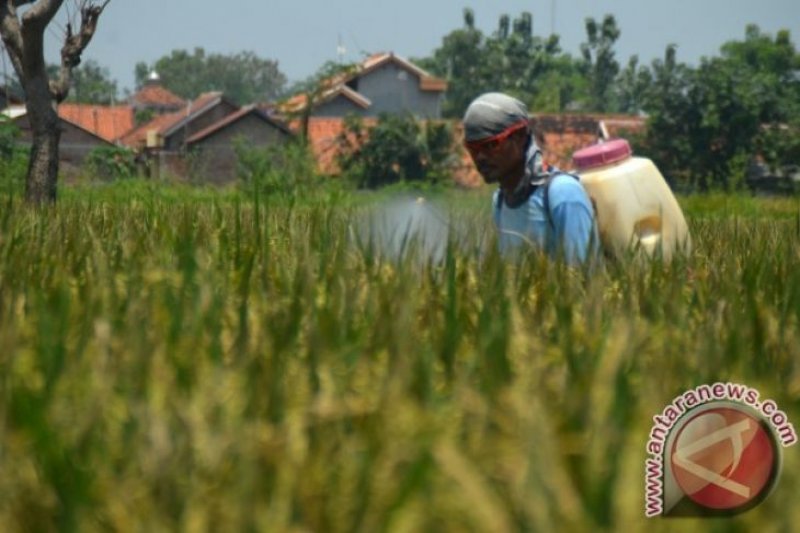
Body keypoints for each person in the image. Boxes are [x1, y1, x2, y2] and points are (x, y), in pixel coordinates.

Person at [463, 92, 599, 265]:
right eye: (472, 149)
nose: (480, 157)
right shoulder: (500, 201)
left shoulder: (562, 194)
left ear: (519, 137)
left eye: (491, 145)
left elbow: (581, 280)